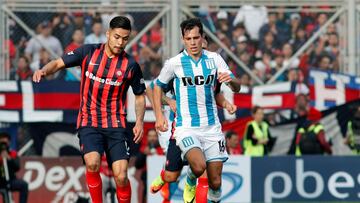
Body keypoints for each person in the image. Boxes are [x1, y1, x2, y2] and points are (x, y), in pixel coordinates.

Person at [33, 16, 146, 203]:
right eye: (117, 37)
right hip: (89, 121)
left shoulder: (131, 65)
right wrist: (44, 71)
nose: (120, 42)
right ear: (108, 34)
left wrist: (140, 121)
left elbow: (140, 95)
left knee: (121, 176)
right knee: (93, 164)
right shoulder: (88, 52)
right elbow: (58, 63)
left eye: (125, 39)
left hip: (116, 124)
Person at [153, 18, 240, 203]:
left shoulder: (215, 59)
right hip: (186, 127)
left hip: (212, 128)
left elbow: (235, 87)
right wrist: (160, 114)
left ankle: (205, 193)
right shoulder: (174, 63)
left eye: (196, 38)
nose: (193, 42)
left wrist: (231, 83)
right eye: (188, 38)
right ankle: (190, 179)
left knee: (215, 182)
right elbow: (156, 86)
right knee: (198, 167)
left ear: (202, 38)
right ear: (183, 40)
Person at [0, 132, 28, 203]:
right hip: (0, 181)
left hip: (11, 181)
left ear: (9, 143)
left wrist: (9, 159)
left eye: (5, 143)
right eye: (1, 143)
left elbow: (17, 167)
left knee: (24, 185)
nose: (3, 145)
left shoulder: (13, 154)